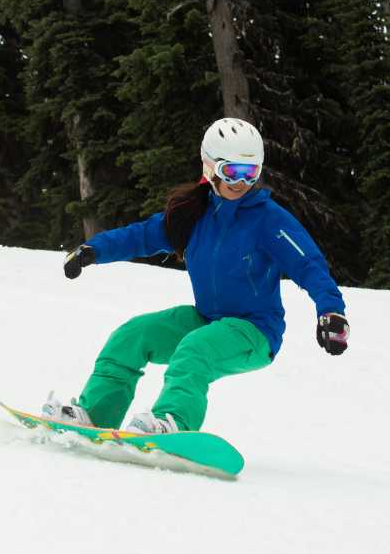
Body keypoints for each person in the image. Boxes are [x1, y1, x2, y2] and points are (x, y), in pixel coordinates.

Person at [45, 118, 350, 433]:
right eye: (232, 171)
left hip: (255, 332)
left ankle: (174, 421)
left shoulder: (269, 220)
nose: (241, 182)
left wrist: (331, 311)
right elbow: (140, 236)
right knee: (131, 336)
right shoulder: (192, 213)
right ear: (210, 167)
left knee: (196, 349)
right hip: (206, 321)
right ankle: (96, 414)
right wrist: (93, 250)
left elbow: (308, 264)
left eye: (251, 173)